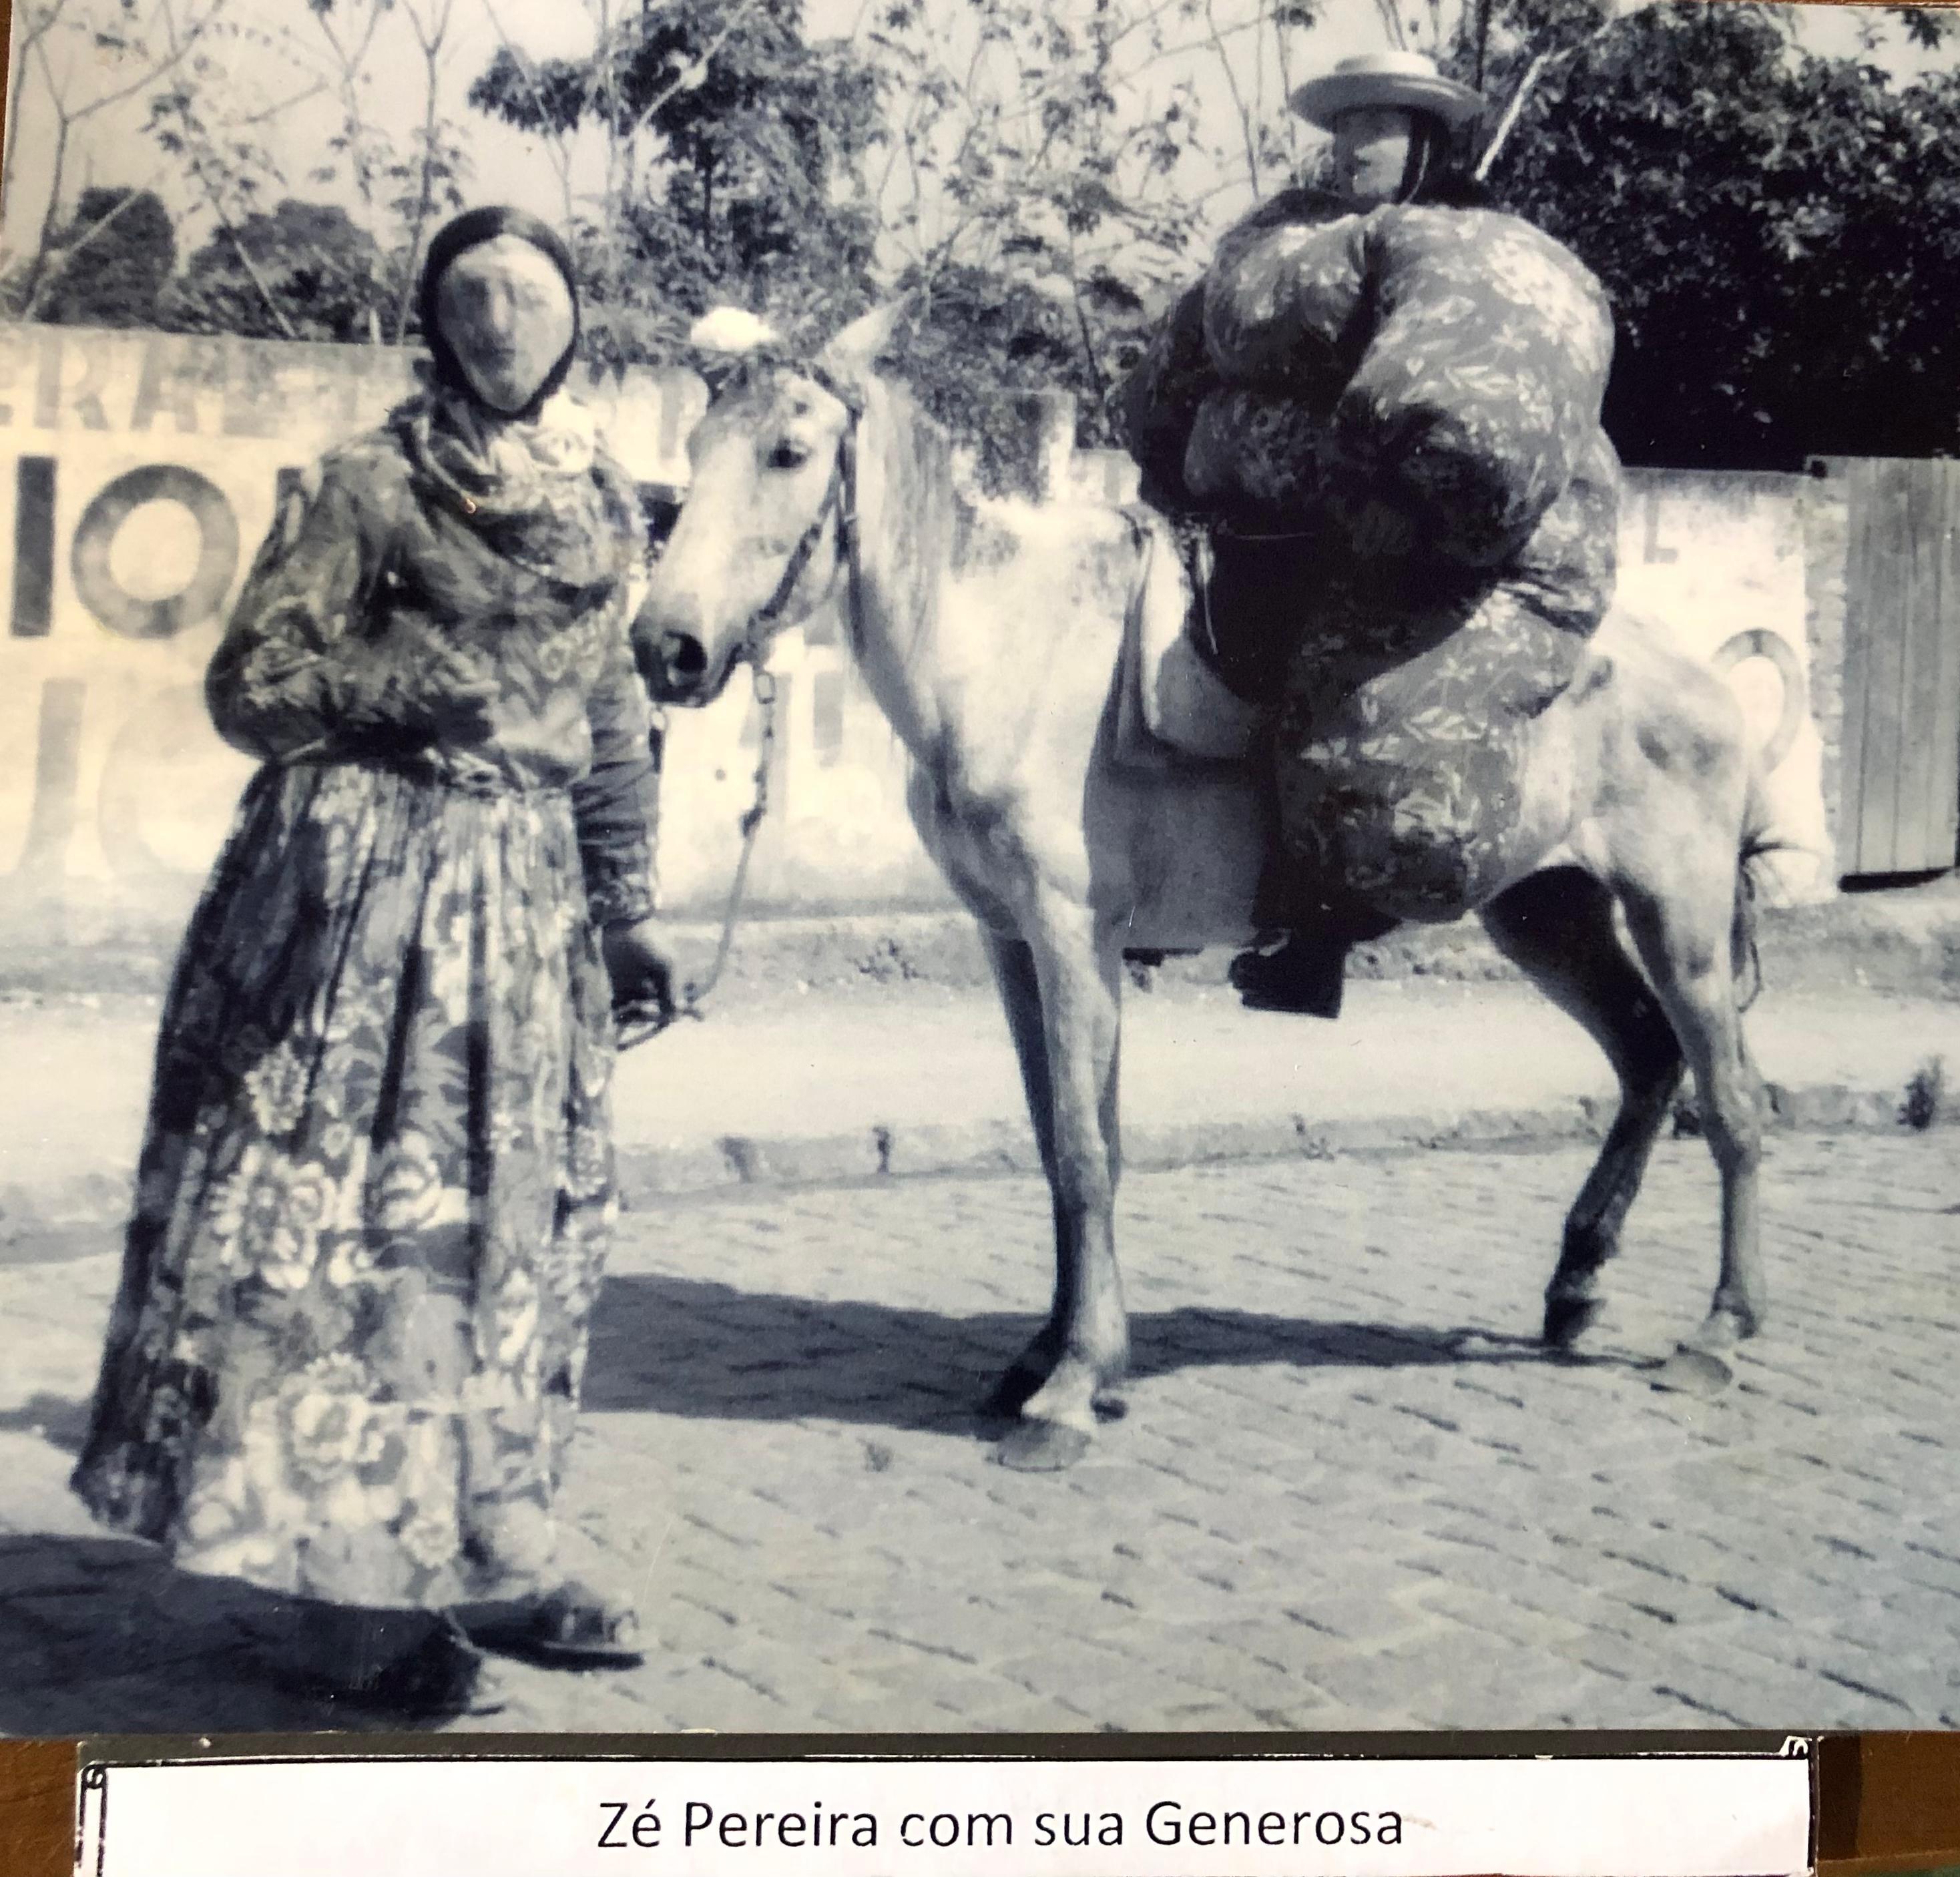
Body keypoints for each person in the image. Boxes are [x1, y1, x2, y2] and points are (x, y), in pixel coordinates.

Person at [68, 206, 675, 1719]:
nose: (504, 326)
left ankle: (492, 1546)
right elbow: (253, 686)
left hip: (525, 912)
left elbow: (609, 718)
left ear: (578, 320)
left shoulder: (602, 497)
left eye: (532, 296)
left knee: (509, 1235)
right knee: (357, 1236)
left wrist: (628, 905)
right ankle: (345, 1603)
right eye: (473, 298)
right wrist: (406, 687)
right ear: (432, 321)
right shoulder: (370, 482)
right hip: (362, 905)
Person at [1120, 51, 1619, 1017]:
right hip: (1310, 518)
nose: (1353, 147)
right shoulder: (1298, 241)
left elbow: (1471, 378)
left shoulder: (1465, 244)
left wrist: (1391, 470)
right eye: (1343, 128)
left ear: (1425, 140)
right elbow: (1194, 360)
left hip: (1436, 546)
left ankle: (1321, 926)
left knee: (1349, 695)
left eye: (1378, 127)